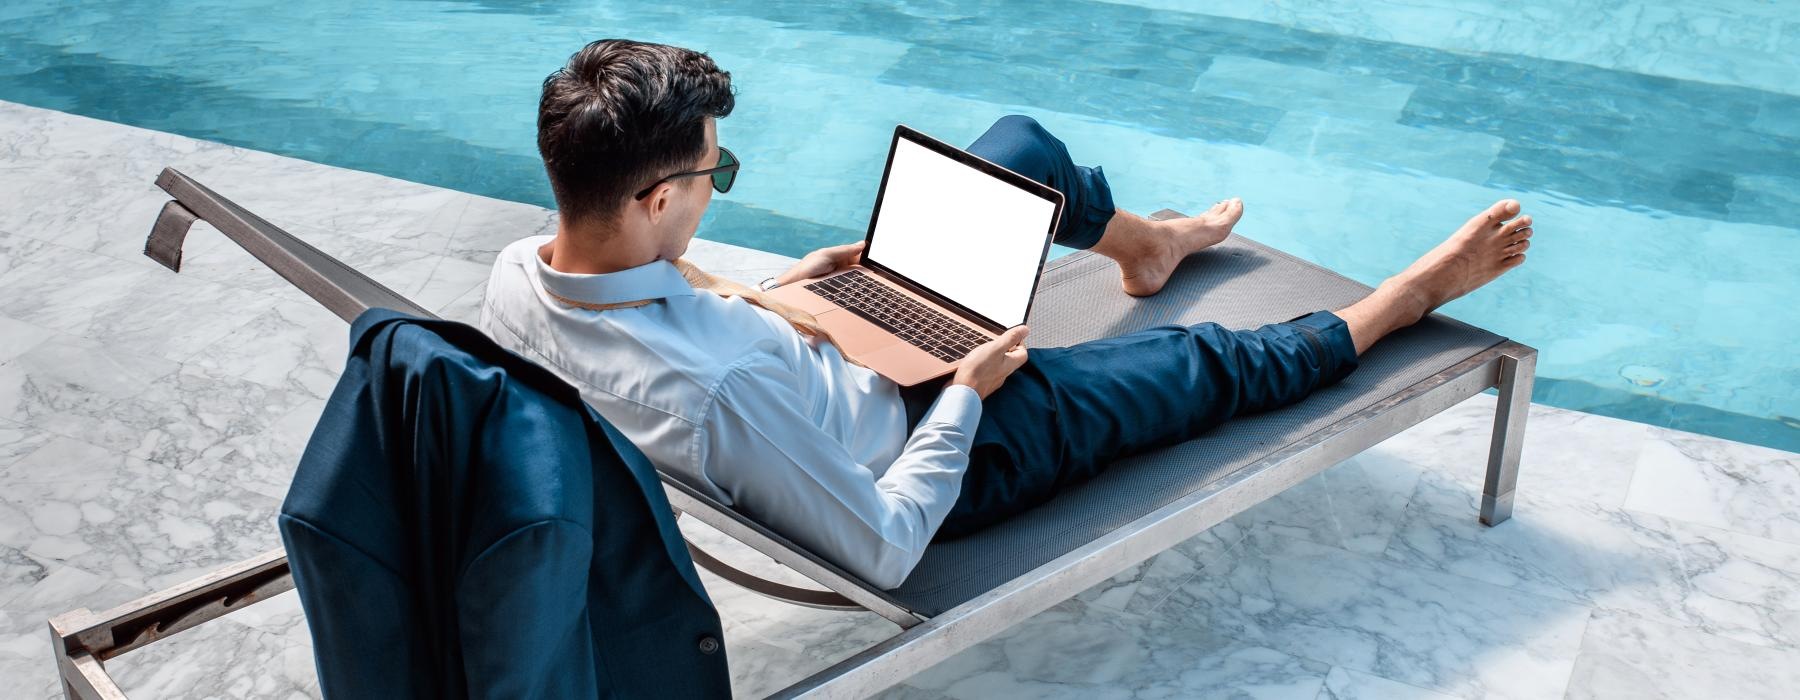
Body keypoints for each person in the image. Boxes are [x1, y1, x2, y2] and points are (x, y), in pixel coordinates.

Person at [479, 40, 1532, 589]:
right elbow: (886, 545)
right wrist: (970, 392)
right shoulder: (724, 391)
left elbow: (660, 315)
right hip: (940, 444)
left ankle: (1146, 244)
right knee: (1201, 364)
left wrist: (790, 289)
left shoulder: (521, 272)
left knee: (1018, 150)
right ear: (657, 197)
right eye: (717, 171)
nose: (718, 187)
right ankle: (1398, 305)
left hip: (833, 347)